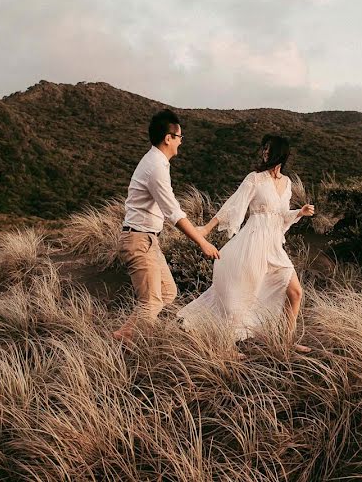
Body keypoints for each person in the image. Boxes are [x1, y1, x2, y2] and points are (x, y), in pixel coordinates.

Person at [177, 135, 315, 355]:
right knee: (242, 294)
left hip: (274, 246)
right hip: (252, 241)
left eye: (269, 149)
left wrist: (299, 212)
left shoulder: (287, 183)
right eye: (264, 149)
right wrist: (207, 228)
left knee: (295, 292)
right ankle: (226, 344)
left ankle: (287, 341)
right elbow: (234, 204)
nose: (264, 153)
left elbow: (279, 215)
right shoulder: (255, 178)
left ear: (280, 153)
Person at [112, 109, 221, 342]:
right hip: (138, 240)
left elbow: (172, 210)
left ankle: (123, 336)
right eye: (180, 137)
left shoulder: (158, 163)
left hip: (148, 239)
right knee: (150, 302)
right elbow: (173, 212)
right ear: (168, 138)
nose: (181, 142)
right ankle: (127, 347)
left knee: (167, 293)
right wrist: (202, 242)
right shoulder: (155, 167)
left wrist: (200, 230)